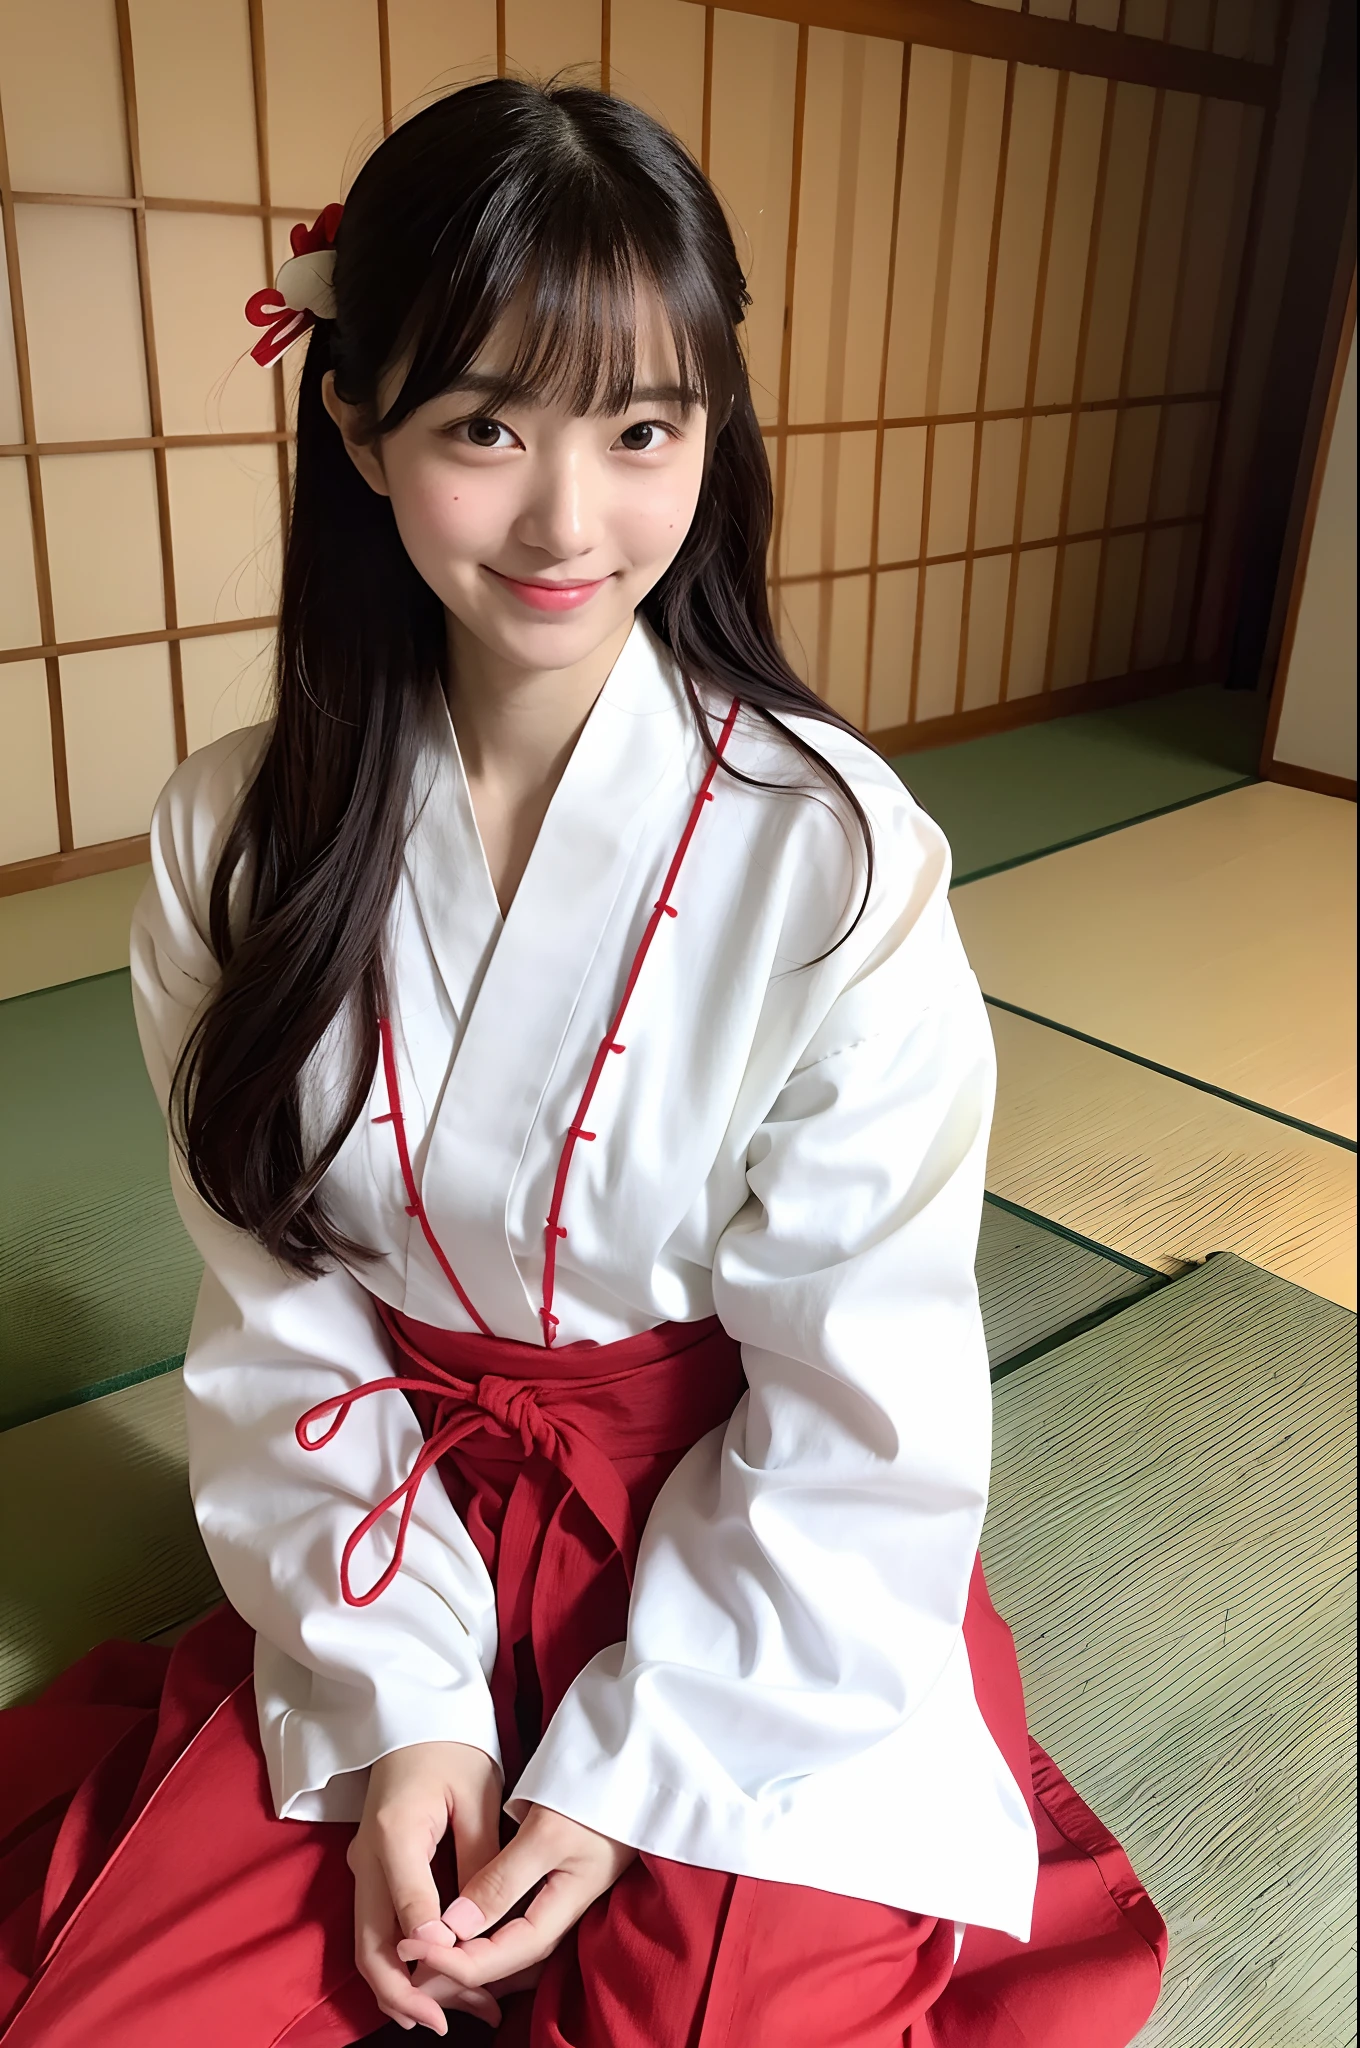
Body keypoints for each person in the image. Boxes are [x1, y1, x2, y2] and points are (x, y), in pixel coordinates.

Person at [0, 79, 1167, 2048]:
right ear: (358, 425)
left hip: (747, 1533)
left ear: (710, 430)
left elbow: (858, 1378)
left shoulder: (835, 853)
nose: (567, 520)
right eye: (482, 426)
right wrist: (408, 1716)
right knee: (110, 2007)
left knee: (702, 2020)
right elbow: (280, 1321)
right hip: (394, 1511)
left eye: (642, 429)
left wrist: (634, 1777)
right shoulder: (232, 843)